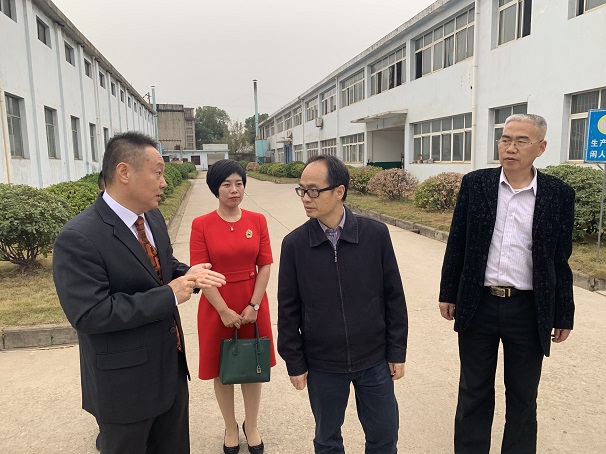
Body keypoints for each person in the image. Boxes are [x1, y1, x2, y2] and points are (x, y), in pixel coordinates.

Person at [53, 131, 226, 454]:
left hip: (169, 373)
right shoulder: (79, 237)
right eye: (157, 173)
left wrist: (187, 274)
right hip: (124, 388)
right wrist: (169, 295)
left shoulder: (152, 218)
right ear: (124, 172)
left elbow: (160, 264)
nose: (164, 182)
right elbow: (91, 314)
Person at [439, 113, 575, 453]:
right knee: (473, 391)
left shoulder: (558, 194)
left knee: (523, 396)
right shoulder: (476, 184)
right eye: (505, 139)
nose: (510, 147)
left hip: (528, 309)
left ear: (541, 147)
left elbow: (561, 258)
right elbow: (458, 241)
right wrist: (448, 292)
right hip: (479, 304)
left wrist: (563, 313)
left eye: (521, 141)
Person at [277, 155, 408, 454]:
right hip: (323, 363)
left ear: (339, 191)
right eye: (302, 190)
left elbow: (393, 296)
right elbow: (288, 310)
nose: (306, 198)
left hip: (374, 359)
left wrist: (396, 350)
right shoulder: (295, 245)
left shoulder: (375, 235)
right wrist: (294, 361)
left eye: (314, 190)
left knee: (385, 436)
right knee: (327, 440)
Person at [190, 159, 276, 454]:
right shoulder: (201, 224)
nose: (234, 189)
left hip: (252, 303)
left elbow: (265, 265)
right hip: (216, 304)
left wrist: (254, 304)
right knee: (222, 368)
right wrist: (223, 310)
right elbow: (200, 272)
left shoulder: (257, 220)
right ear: (216, 188)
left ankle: (251, 425)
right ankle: (230, 426)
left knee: (252, 365)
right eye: (226, 184)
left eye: (239, 183)